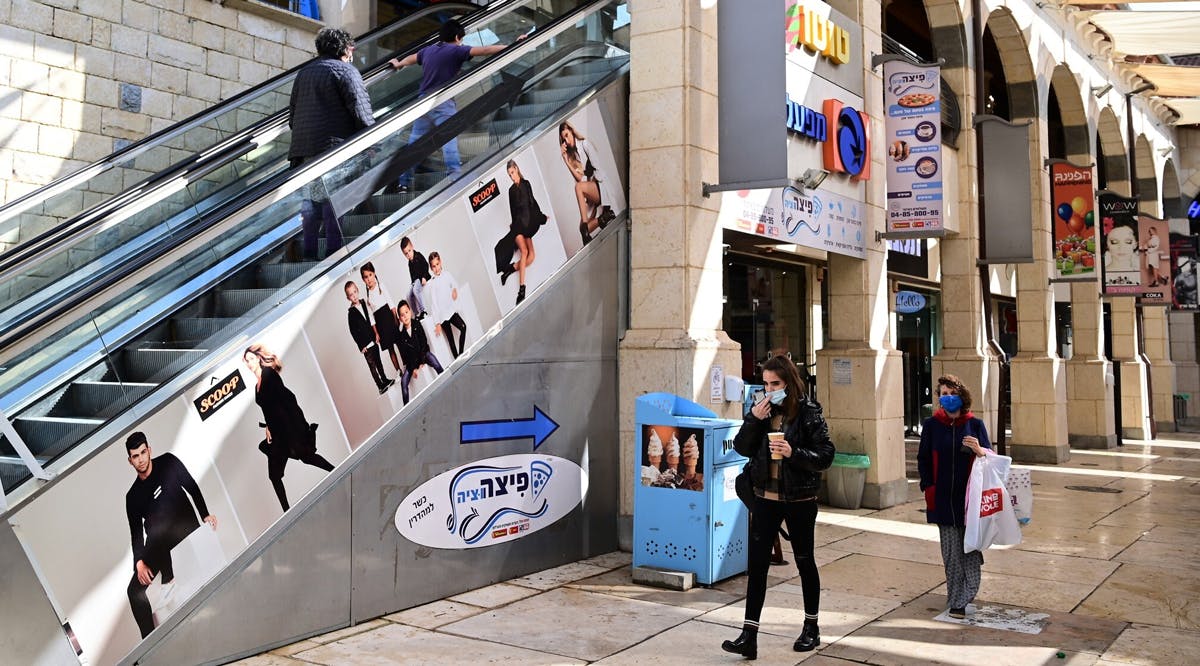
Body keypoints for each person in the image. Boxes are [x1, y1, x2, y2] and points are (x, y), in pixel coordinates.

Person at [721, 355, 835, 660]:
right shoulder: (761, 410)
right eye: (766, 383)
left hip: (799, 499)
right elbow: (742, 448)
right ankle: (749, 635)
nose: (770, 389)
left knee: (804, 561)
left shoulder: (808, 412)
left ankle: (811, 627)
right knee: (758, 566)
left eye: (776, 384)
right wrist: (753, 419)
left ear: (789, 383)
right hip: (765, 498)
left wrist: (792, 451)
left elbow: (825, 454)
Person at [388, 20, 517, 190]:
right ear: (457, 37)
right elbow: (485, 50)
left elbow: (413, 58)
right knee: (449, 141)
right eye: (461, 39)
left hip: (423, 102)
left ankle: (403, 183)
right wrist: (514, 45)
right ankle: (455, 177)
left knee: (415, 144)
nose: (461, 42)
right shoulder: (456, 50)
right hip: (443, 102)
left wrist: (399, 63)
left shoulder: (429, 50)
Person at [289, 27, 375, 259]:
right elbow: (360, 109)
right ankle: (332, 252)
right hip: (335, 150)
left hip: (305, 151)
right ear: (345, 48)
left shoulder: (304, 73)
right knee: (334, 202)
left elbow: (292, 114)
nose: (352, 52)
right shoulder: (346, 71)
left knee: (311, 203)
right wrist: (371, 140)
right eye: (351, 47)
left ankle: (308, 252)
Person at [124, 432, 217, 638]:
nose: (141, 460)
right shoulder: (132, 497)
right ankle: (149, 641)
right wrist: (139, 562)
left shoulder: (168, 462)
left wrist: (205, 514)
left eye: (142, 453)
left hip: (183, 529)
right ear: (130, 461)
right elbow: (136, 534)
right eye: (135, 456)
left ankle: (169, 579)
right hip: (157, 544)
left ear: (149, 450)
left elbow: (192, 486)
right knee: (133, 592)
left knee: (161, 523)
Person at [917, 374, 992, 620]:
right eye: (944, 394)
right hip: (941, 498)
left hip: (969, 499)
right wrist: (929, 486)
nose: (948, 398)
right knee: (951, 552)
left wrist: (980, 451)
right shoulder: (931, 426)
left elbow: (992, 459)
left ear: (962, 396)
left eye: (952, 393)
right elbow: (924, 459)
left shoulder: (975, 425)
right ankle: (956, 600)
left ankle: (968, 591)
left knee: (968, 548)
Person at [244, 344, 336, 511]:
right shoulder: (256, 385)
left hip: (288, 428)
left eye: (250, 359)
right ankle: (287, 511)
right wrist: (267, 427)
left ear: (258, 358)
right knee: (274, 475)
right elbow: (267, 408)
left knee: (306, 457)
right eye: (246, 361)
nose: (249, 364)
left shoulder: (269, 374)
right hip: (276, 432)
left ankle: (336, 472)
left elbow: (287, 399)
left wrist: (297, 427)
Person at [559, 120, 615, 246]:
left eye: (567, 135)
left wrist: (589, 182)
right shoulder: (574, 156)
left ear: (572, 132)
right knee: (582, 229)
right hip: (592, 191)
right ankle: (604, 218)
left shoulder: (585, 144)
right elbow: (579, 178)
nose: (566, 141)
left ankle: (586, 227)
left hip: (601, 186)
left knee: (578, 187)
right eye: (564, 139)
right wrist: (566, 160)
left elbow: (598, 169)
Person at [500, 159, 548, 304]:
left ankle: (510, 269)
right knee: (525, 253)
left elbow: (533, 203)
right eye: (509, 175)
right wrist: (513, 231)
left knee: (532, 257)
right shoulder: (511, 191)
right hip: (518, 226)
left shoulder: (526, 184)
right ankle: (522, 290)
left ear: (517, 168)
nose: (512, 177)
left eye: (513, 173)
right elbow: (512, 212)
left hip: (528, 224)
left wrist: (542, 217)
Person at [345, 280, 395, 394]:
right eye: (351, 295)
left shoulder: (363, 303)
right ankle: (380, 385)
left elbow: (371, 319)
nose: (354, 296)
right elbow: (353, 332)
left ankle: (384, 379)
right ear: (348, 298)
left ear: (358, 291)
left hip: (372, 339)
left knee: (379, 361)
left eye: (355, 292)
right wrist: (360, 346)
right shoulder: (351, 313)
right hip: (365, 345)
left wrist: (376, 334)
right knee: (372, 366)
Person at [396, 300, 444, 404]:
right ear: (400, 318)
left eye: (406, 312)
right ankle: (406, 408)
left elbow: (423, 343)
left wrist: (422, 362)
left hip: (423, 355)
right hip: (412, 363)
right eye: (402, 315)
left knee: (435, 361)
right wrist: (413, 368)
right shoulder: (401, 336)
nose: (405, 316)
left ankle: (445, 380)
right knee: (404, 382)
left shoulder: (416, 324)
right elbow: (406, 356)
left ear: (410, 311)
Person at [361, 262, 402, 373]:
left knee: (399, 343)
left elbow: (391, 303)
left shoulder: (381, 286)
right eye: (366, 277)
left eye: (370, 275)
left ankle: (408, 364)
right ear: (363, 280)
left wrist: (396, 318)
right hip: (380, 323)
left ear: (374, 273)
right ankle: (399, 371)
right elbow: (371, 318)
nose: (369, 279)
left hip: (389, 317)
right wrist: (376, 333)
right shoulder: (367, 297)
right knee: (390, 349)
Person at [426, 251, 467, 358]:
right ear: (431, 268)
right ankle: (457, 360)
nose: (436, 268)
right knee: (451, 342)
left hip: (451, 311)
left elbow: (454, 284)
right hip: (442, 316)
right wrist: (437, 323)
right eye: (433, 266)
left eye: (437, 264)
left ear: (441, 262)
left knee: (463, 327)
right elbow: (434, 304)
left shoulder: (447, 274)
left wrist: (454, 289)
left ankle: (461, 354)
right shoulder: (432, 284)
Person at [400, 236, 430, 318]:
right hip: (415, 280)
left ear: (412, 246)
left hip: (422, 278)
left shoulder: (418, 255)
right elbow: (412, 275)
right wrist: (412, 283)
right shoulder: (409, 263)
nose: (408, 254)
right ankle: (417, 313)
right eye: (406, 253)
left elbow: (425, 265)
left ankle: (423, 310)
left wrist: (424, 277)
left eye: (409, 251)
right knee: (409, 295)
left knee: (416, 290)